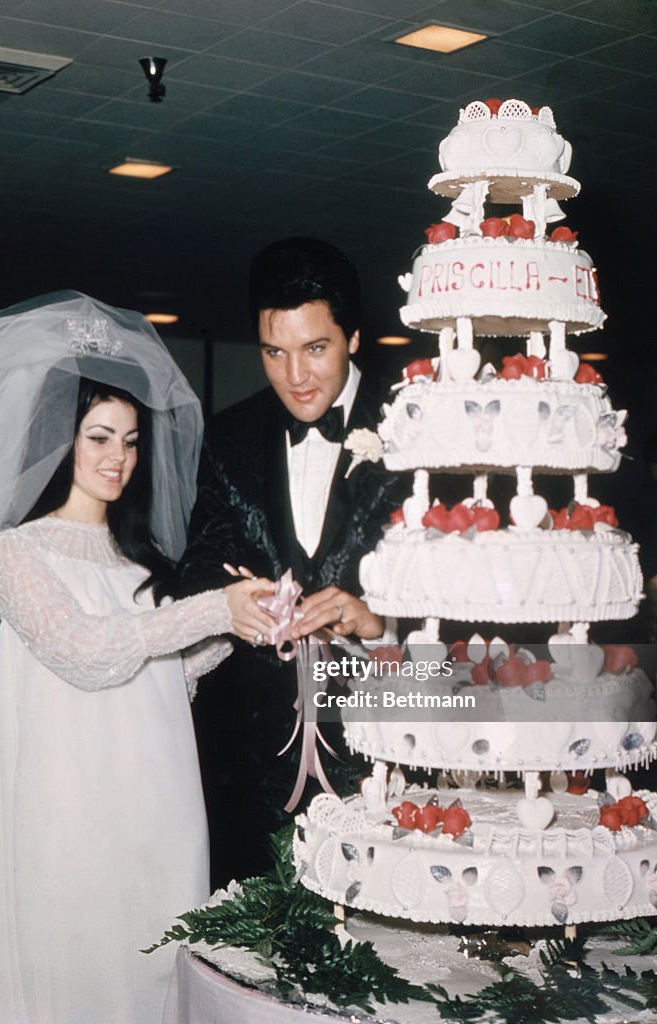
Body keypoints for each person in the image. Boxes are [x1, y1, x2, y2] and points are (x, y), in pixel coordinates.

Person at [0, 292, 274, 1022]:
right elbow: (87, 653)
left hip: (157, 796)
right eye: (99, 438)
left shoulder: (143, 560)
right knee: (76, 961)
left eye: (129, 440)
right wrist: (211, 610)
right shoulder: (16, 552)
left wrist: (238, 625)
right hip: (69, 801)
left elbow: (163, 676)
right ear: (61, 441)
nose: (117, 458)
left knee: (152, 964)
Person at [175, 237, 404, 881]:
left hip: (393, 759)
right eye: (274, 352)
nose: (294, 376)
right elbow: (198, 567)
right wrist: (230, 605)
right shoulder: (230, 436)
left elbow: (468, 596)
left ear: (354, 337)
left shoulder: (419, 428)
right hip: (258, 769)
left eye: (315, 349)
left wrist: (378, 622)